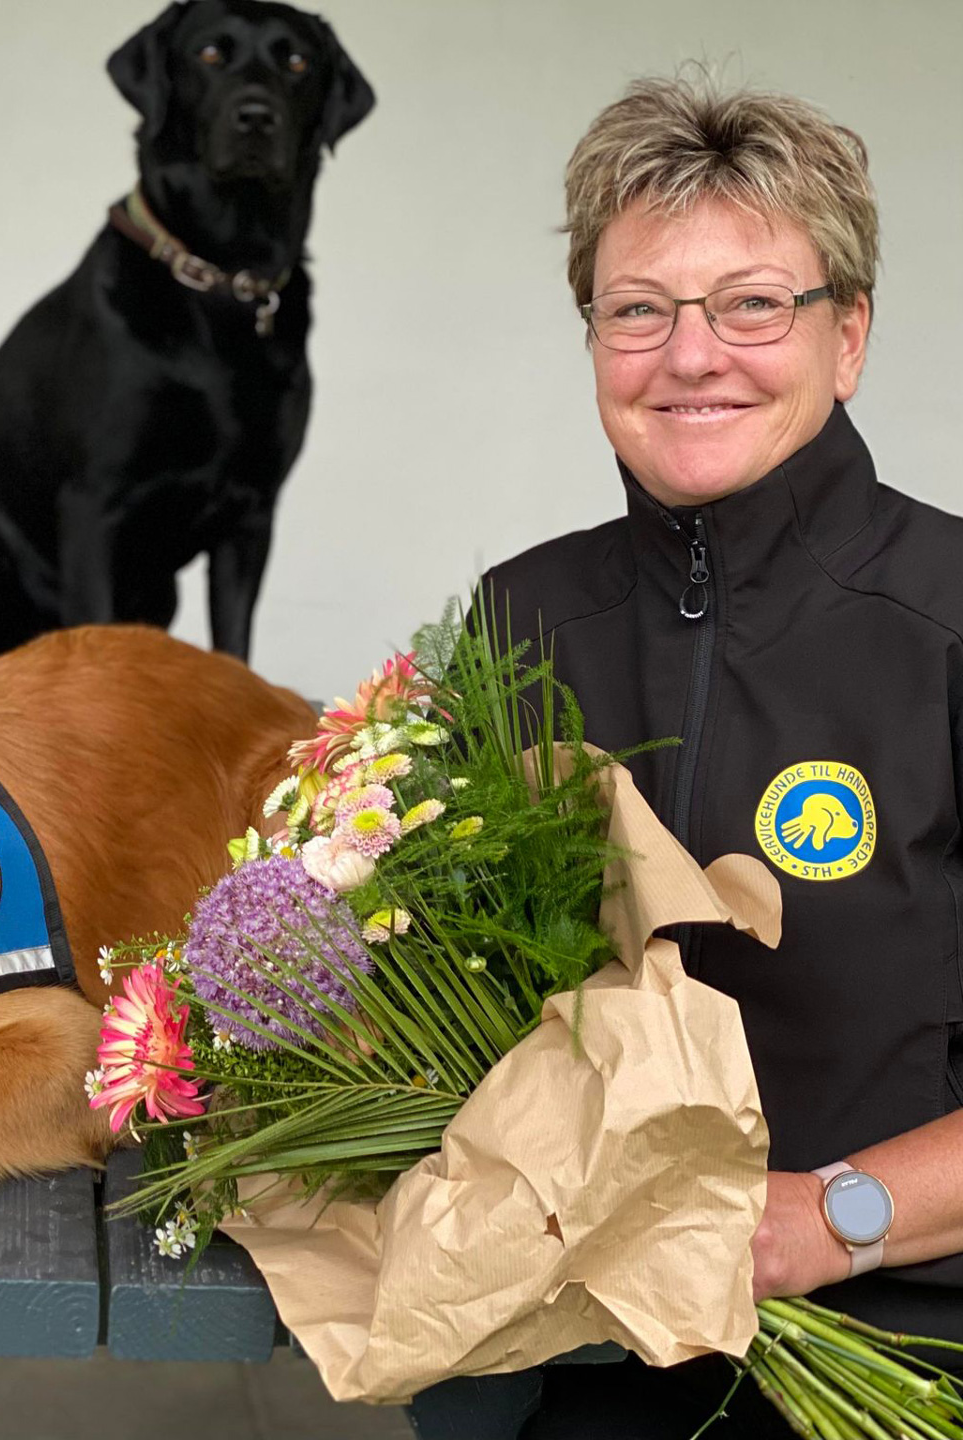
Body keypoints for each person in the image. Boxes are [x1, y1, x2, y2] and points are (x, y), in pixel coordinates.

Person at [409, 75, 963, 1438]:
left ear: (850, 337)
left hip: (893, 1351)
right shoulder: (521, 620)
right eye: (638, 309)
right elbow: (449, 990)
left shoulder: (947, 621)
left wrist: (834, 1221)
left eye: (753, 304)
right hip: (575, 1354)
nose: (690, 352)